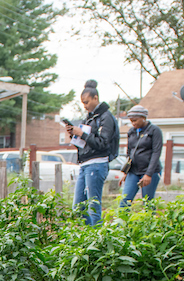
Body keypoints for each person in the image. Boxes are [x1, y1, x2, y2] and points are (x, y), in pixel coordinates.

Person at [66, 79, 118, 226]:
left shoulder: (106, 117)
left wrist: (82, 134)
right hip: (85, 164)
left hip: (97, 164)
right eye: (83, 103)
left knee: (93, 206)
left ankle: (97, 239)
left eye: (87, 102)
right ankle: (89, 235)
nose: (85, 106)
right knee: (78, 207)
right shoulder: (89, 118)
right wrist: (75, 135)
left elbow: (102, 143)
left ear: (96, 98)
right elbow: (86, 144)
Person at [120, 105, 163, 205]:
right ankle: (121, 220)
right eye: (131, 121)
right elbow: (129, 152)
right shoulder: (131, 132)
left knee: (147, 202)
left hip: (149, 172)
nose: (133, 123)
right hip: (133, 171)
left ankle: (149, 220)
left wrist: (148, 174)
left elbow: (156, 153)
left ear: (143, 118)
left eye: (135, 120)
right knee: (124, 201)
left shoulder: (154, 131)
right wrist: (126, 171)